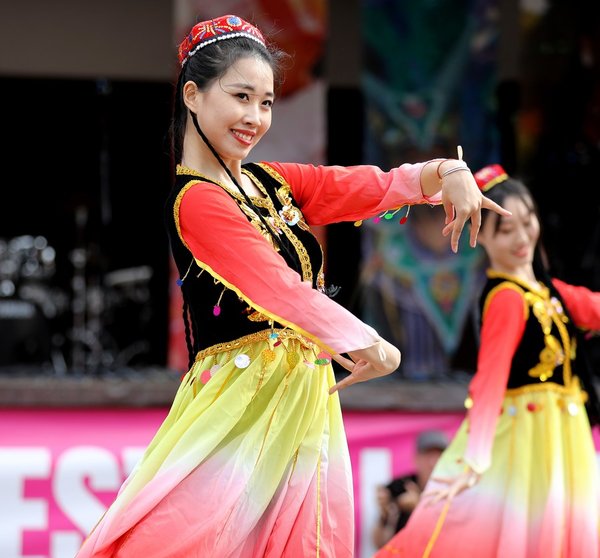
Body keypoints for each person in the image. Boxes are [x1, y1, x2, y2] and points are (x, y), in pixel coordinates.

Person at [76, 15, 508, 557]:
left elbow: (366, 185)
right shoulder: (196, 202)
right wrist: (364, 340)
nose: (255, 117)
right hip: (237, 403)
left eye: (267, 102)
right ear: (192, 94)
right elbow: (275, 285)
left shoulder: (272, 181)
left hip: (303, 391)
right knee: (189, 542)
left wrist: (445, 172)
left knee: (305, 546)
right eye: (241, 97)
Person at [374, 164, 600, 558]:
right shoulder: (507, 298)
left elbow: (593, 307)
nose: (521, 237)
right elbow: (490, 379)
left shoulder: (548, 291)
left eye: (527, 223)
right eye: (505, 230)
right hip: (527, 438)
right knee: (508, 530)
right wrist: (475, 455)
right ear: (481, 235)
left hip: (562, 434)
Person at [372, 430, 449, 549]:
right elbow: (380, 543)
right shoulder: (400, 486)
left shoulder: (456, 492)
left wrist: (418, 509)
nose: (433, 463)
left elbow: (447, 541)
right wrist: (385, 515)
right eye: (428, 455)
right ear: (416, 459)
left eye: (438, 456)